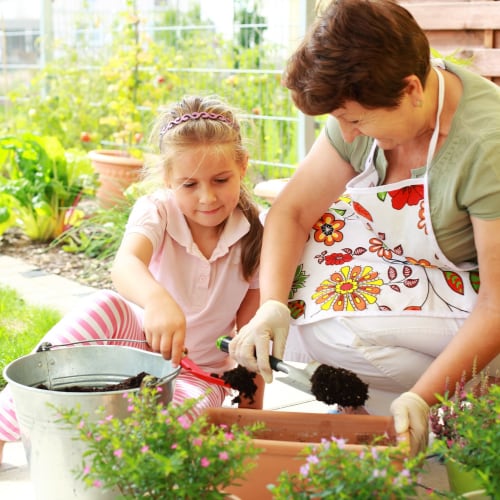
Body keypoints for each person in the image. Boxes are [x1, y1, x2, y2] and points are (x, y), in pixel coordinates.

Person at [229, 0, 500, 456]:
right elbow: (292, 212)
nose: (347, 135)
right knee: (293, 320)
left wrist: (423, 393)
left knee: (339, 325)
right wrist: (271, 305)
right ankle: (407, 408)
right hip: (419, 276)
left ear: (412, 89)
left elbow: (497, 303)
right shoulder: (366, 104)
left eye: (355, 120)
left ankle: (454, 403)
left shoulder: (485, 147)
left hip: (480, 301)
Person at [0, 95, 264, 463]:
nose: (207, 197)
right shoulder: (158, 210)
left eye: (221, 180)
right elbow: (125, 265)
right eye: (189, 184)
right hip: (131, 345)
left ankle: (113, 466)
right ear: (169, 178)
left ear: (243, 166)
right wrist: (157, 301)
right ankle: (2, 426)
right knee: (102, 304)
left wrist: (251, 418)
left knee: (170, 432)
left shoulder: (257, 232)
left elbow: (251, 341)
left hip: (196, 374)